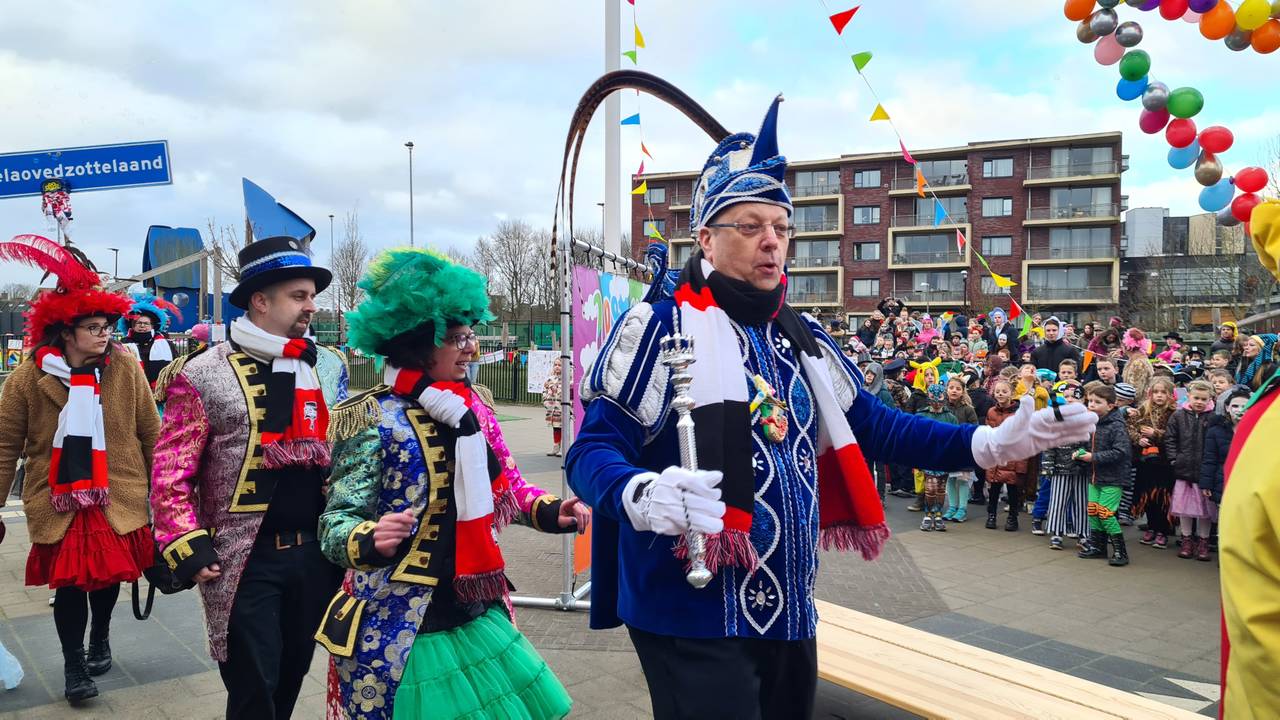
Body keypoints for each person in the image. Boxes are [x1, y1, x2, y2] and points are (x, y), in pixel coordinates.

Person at [563, 97, 1094, 720]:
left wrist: (991, 443)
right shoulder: (657, 327)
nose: (772, 242)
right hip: (687, 608)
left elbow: (876, 426)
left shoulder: (803, 334)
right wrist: (640, 493)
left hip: (790, 601)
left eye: (782, 228)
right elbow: (591, 450)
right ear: (706, 237)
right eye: (751, 226)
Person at [317, 248, 579, 720]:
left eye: (470, 334)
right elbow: (335, 522)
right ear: (419, 343)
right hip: (397, 618)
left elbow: (511, 490)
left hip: (474, 605)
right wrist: (367, 537)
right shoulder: (371, 417)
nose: (471, 347)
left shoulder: (473, 409)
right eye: (456, 337)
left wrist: (549, 510)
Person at [150, 235, 348, 719]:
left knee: (290, 677)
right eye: (299, 296)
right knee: (253, 687)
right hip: (243, 561)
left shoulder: (324, 366)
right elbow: (170, 472)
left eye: (312, 296)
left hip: (315, 555)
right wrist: (186, 543)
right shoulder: (201, 374)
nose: (311, 307)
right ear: (261, 301)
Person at [0, 236, 156, 705]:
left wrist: (168, 497)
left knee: (106, 579)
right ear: (64, 332)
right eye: (93, 326)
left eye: (107, 324)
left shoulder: (125, 367)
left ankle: (101, 636)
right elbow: (5, 445)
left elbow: (151, 430)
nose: (105, 333)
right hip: (58, 497)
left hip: (118, 493)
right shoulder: (28, 377)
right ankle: (73, 665)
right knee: (69, 586)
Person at [1077, 382, 1132, 566]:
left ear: (1110, 405)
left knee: (1106, 513)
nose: (1091, 405)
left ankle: (1120, 552)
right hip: (1094, 476)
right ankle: (1098, 547)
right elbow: (1085, 444)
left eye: (1097, 402)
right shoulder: (1091, 422)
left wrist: (1093, 457)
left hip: (1113, 478)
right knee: (1093, 511)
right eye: (1089, 401)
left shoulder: (1116, 425)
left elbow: (1120, 452)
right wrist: (1080, 454)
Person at [1165, 379, 1217, 561]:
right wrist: (1173, 459)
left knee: (1205, 510)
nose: (1199, 402)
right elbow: (1170, 438)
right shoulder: (1178, 416)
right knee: (1184, 508)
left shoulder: (1213, 417)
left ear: (1211, 398)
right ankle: (1186, 539)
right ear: (1188, 396)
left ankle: (1203, 541)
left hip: (1204, 471)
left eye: (1204, 399)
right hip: (1184, 469)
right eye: (1196, 398)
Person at [1128, 376, 1175, 549]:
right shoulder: (1143, 410)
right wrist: (1138, 438)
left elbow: (1174, 435)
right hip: (1145, 461)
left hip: (1164, 462)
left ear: (1170, 395)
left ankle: (1163, 530)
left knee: (1162, 497)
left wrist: (1156, 434)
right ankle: (1152, 527)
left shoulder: (1174, 412)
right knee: (1147, 496)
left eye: (1163, 392)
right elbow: (1130, 426)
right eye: (1156, 392)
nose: (1159, 396)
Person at [1040, 381, 1089, 550]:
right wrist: (1048, 466)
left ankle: (1083, 534)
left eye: (1075, 397)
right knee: (1058, 501)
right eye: (1066, 397)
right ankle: (1056, 533)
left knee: (1082, 502)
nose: (1070, 400)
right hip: (1061, 467)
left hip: (1082, 469)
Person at [983, 379, 1029, 532]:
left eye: (1004, 391)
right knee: (994, 488)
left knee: (1012, 490)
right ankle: (991, 515)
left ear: (1011, 393)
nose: (1000, 394)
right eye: (997, 392)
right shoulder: (991, 411)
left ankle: (1012, 517)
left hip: (1012, 456)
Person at [915, 384, 957, 532]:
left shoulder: (950, 417)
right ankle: (927, 515)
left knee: (940, 489)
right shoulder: (921, 416)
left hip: (943, 457)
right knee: (930, 488)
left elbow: (955, 439)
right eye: (934, 398)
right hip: (927, 457)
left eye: (940, 398)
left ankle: (938, 515)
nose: (937, 402)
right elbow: (915, 439)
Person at [118, 291, 181, 388]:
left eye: (146, 323)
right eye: (138, 323)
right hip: (132, 391)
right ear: (132, 325)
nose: (142, 326)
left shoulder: (166, 344)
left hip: (159, 394)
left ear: (152, 326)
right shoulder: (123, 344)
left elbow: (176, 367)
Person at [942, 375, 977, 523]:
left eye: (957, 388)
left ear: (963, 391)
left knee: (963, 479)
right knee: (950, 478)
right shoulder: (942, 407)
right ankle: (952, 506)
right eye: (951, 388)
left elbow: (974, 427)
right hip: (947, 447)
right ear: (947, 390)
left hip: (963, 448)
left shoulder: (968, 409)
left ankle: (962, 509)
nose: (954, 391)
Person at [542, 357, 564, 456]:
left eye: (559, 365)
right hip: (551, 408)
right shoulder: (550, 379)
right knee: (555, 427)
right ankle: (555, 446)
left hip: (561, 408)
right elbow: (544, 391)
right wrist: (546, 401)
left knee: (561, 427)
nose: (557, 367)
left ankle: (562, 448)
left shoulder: (566, 379)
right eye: (555, 365)